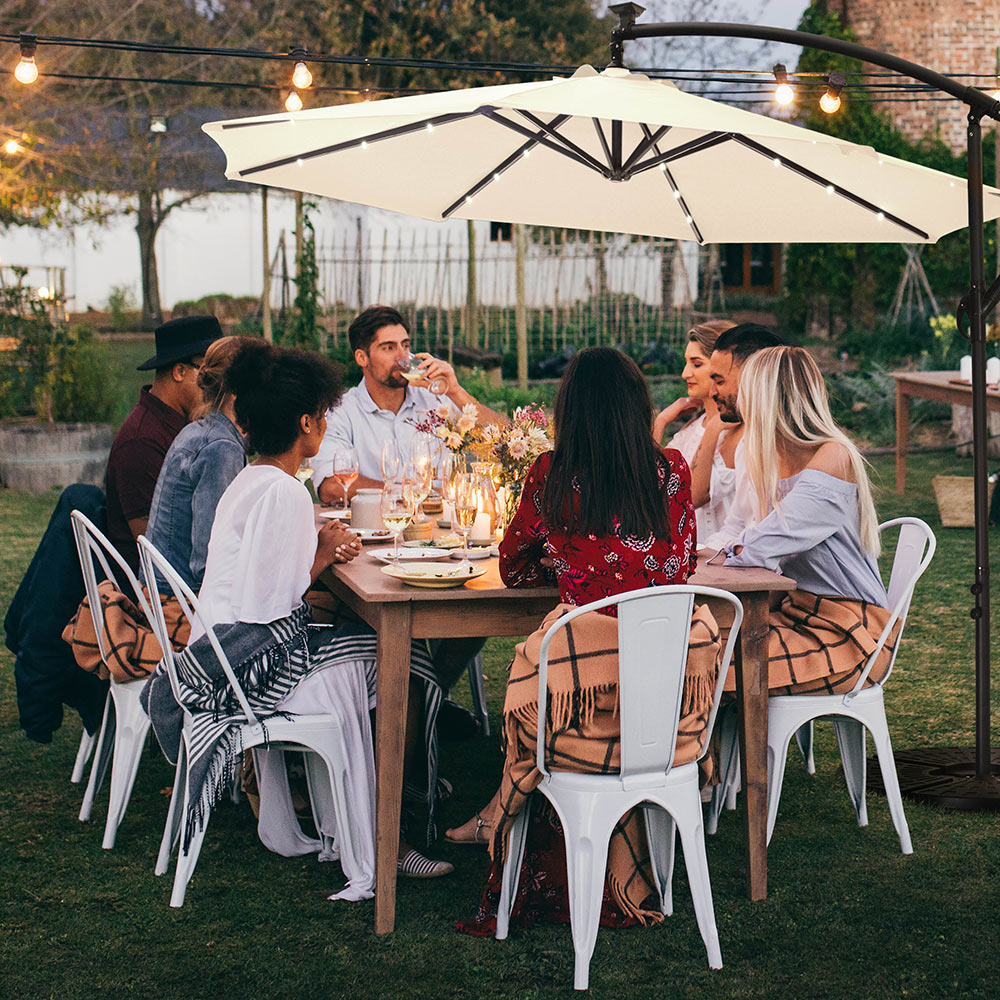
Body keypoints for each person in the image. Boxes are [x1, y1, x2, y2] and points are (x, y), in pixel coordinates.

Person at [142, 340, 453, 892]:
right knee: (403, 662)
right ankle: (388, 835)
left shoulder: (253, 478)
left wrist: (318, 544)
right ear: (305, 422)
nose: (327, 426)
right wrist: (324, 555)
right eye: (325, 417)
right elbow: (273, 603)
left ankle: (367, 821)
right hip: (248, 665)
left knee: (373, 645)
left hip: (221, 649)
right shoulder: (283, 491)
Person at [448, 347, 722, 936]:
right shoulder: (671, 470)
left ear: (570, 409)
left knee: (539, 694)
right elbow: (678, 566)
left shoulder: (550, 475)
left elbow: (515, 569)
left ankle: (503, 813)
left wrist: (570, 568)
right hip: (663, 718)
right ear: (636, 407)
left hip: (584, 720)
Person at [718, 346, 896, 694]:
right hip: (797, 614)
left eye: (746, 391)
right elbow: (761, 550)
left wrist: (716, 555)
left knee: (715, 666)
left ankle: (718, 750)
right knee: (701, 652)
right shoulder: (778, 460)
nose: (740, 401)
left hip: (851, 631)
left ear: (765, 398)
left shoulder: (833, 456)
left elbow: (761, 547)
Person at [312, 305, 506, 499]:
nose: (403, 357)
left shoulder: (436, 400)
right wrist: (414, 493)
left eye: (405, 345)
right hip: (377, 526)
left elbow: (507, 438)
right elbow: (331, 486)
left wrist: (455, 391)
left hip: (443, 525)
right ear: (362, 358)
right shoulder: (342, 412)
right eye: (388, 348)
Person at [105, 315, 223, 572]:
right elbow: (156, 550)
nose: (218, 387)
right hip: (159, 595)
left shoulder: (185, 425)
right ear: (180, 371)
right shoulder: (141, 443)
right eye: (209, 375)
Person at [146, 336, 254, 593]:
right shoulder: (220, 448)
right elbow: (211, 565)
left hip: (166, 589)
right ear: (241, 391)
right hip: (182, 604)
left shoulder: (201, 431)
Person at [698, 322, 783, 552]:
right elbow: (734, 528)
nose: (712, 392)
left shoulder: (796, 451)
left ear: (754, 376)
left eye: (720, 381)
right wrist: (696, 558)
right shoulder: (748, 444)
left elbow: (774, 548)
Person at [652, 319, 737, 539]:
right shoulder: (691, 429)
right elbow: (649, 487)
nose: (685, 373)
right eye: (686, 363)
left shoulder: (736, 432)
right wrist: (660, 422)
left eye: (696, 364)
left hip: (719, 557)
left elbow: (690, 496)